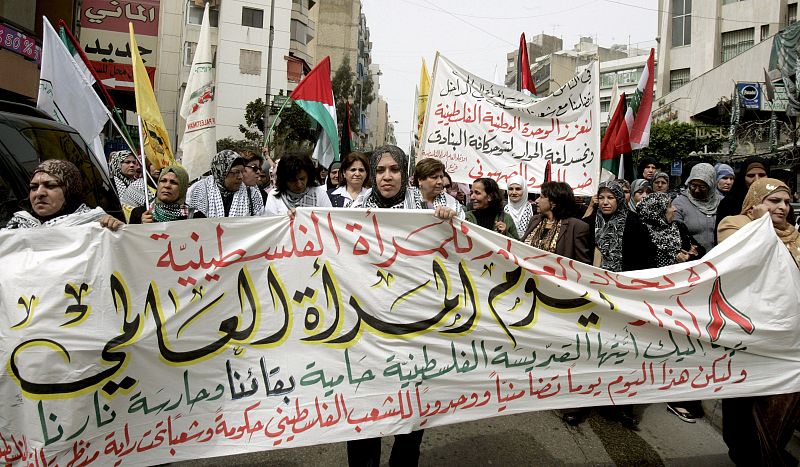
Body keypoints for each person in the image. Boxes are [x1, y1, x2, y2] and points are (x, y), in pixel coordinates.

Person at [348, 145, 458, 467]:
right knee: (364, 417)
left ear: (404, 173)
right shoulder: (353, 213)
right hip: (367, 333)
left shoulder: (427, 212)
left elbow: (455, 254)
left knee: (410, 420)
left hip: (414, 333)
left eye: (393, 170)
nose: (386, 176)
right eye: (380, 170)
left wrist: (448, 221)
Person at [717, 178, 800, 465]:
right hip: (748, 333)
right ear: (754, 203)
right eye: (774, 201)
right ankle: (748, 454)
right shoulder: (734, 225)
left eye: (787, 202)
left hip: (786, 334)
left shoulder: (793, 234)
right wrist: (761, 224)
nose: (782, 208)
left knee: (783, 399)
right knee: (743, 399)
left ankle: (769, 451)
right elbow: (741, 261)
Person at [4, 160, 122, 230]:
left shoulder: (96, 225)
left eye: (50, 186)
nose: (39, 193)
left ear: (70, 191)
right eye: (33, 187)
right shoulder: (17, 226)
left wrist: (118, 231)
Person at [522, 182, 591, 264]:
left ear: (553, 203)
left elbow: (583, 264)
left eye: (541, 197)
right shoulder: (535, 220)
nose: (536, 201)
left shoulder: (577, 227)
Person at [189, 149, 262, 218]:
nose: (240, 177)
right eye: (236, 172)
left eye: (242, 172)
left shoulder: (252, 194)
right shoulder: (198, 190)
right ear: (222, 172)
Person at [262, 153, 332, 216]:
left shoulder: (319, 193)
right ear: (284, 180)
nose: (299, 184)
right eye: (293, 180)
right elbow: (271, 224)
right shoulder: (274, 195)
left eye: (302, 179)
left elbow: (329, 219)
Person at [672, 163, 720, 254]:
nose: (697, 190)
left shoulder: (722, 203)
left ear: (712, 185)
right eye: (693, 186)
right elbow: (675, 234)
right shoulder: (679, 203)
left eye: (702, 187)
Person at [129, 166, 205, 223]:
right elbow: (130, 241)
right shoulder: (140, 213)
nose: (167, 186)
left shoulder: (196, 218)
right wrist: (140, 227)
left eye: (173, 182)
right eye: (163, 181)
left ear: (182, 188)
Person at [715, 156, 769, 229]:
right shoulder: (728, 204)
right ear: (743, 177)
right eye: (751, 176)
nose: (757, 180)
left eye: (762, 175)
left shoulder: (779, 201)